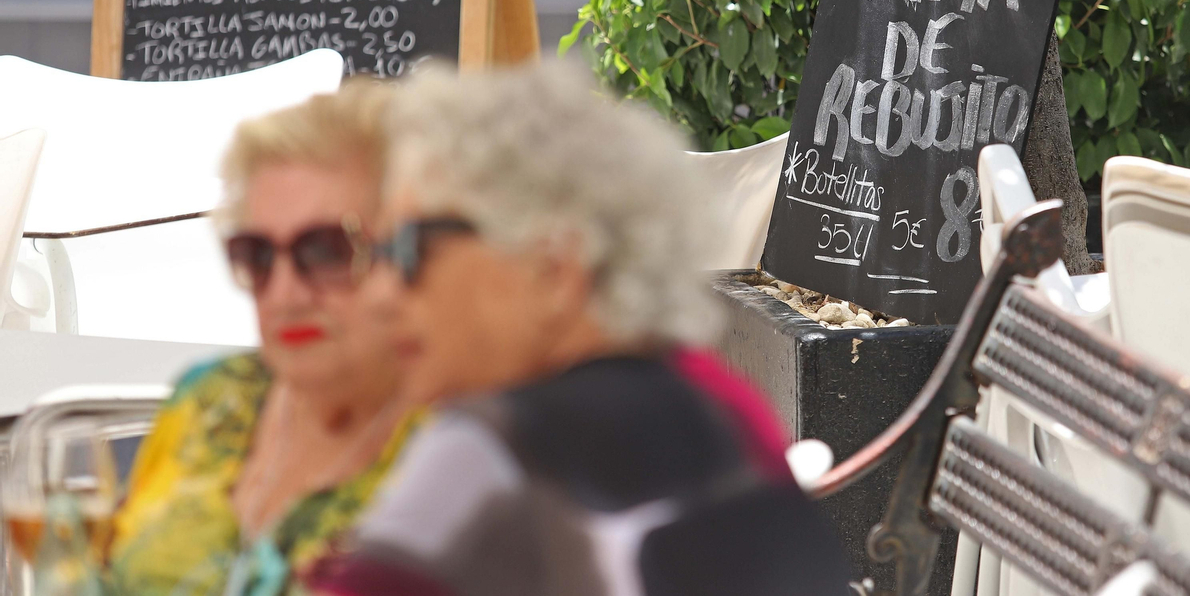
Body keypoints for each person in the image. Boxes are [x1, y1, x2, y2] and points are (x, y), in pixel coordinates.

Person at [309, 60, 851, 596]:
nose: (377, 292)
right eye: (371, 252)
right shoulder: (719, 400)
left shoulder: (489, 446)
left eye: (410, 249)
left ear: (552, 266)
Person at [108, 81, 421, 596]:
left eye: (323, 251)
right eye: (256, 254)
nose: (285, 293)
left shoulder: (455, 446)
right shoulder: (209, 399)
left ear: (408, 250)